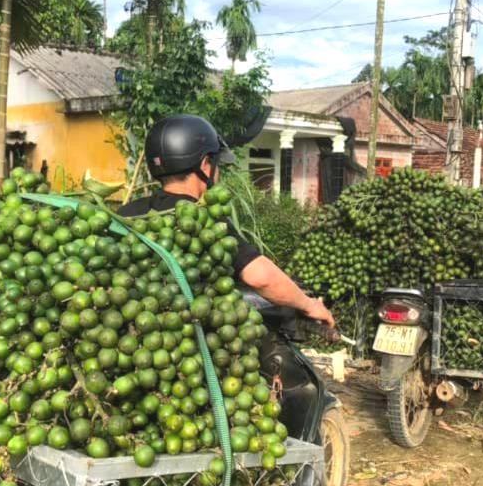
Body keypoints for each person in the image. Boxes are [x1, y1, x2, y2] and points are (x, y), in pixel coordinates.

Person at [117, 114, 334, 328]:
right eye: (216, 164)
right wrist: (309, 304)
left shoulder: (127, 213)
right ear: (204, 165)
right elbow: (261, 277)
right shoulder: (204, 223)